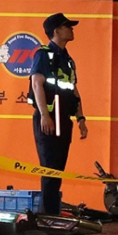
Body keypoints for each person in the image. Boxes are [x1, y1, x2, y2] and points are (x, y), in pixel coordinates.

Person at [28, 13, 88, 215]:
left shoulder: (68, 60)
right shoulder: (43, 54)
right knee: (49, 169)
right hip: (48, 120)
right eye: (67, 26)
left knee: (58, 169)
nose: (72, 29)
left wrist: (81, 118)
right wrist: (45, 116)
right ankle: (49, 215)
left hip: (64, 120)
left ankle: (52, 213)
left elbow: (74, 90)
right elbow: (37, 84)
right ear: (56, 31)